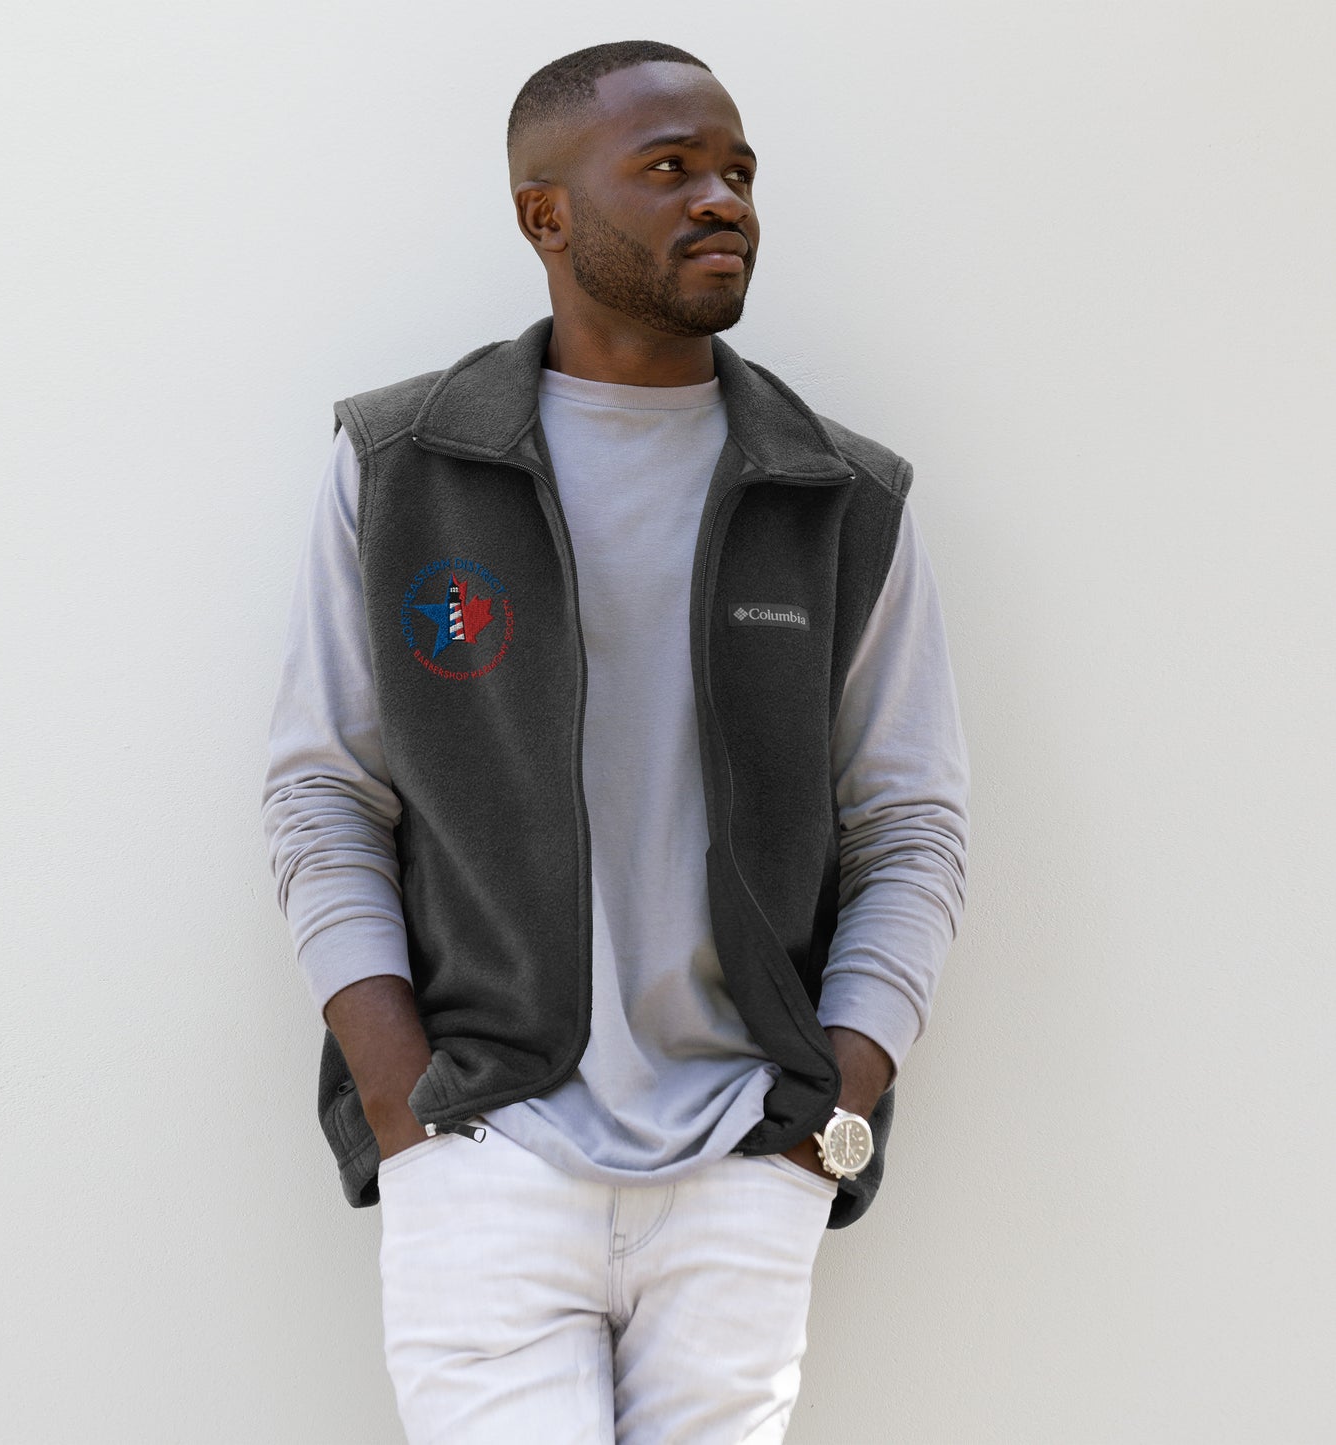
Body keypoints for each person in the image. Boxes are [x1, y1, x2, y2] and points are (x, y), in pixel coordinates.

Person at [263, 39, 970, 1445]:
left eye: (739, 172)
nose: (722, 199)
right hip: (485, 1145)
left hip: (746, 1157)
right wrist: (408, 1106)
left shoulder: (835, 495)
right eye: (670, 168)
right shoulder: (403, 467)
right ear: (546, 214)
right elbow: (324, 797)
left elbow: (910, 827)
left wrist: (829, 1112)